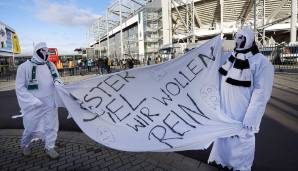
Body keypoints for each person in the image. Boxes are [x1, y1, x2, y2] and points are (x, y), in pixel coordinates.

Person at [208, 27, 274, 171]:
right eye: (236, 37)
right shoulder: (229, 58)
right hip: (225, 111)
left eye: (241, 38)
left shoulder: (261, 62)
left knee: (241, 142)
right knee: (223, 140)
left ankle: (240, 167)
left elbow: (261, 93)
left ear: (248, 40)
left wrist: (251, 118)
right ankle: (220, 162)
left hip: (242, 114)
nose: (237, 41)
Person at [15, 42, 63, 159]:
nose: (46, 53)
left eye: (47, 51)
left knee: (51, 126)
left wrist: (58, 82)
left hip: (50, 102)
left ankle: (49, 147)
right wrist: (32, 101)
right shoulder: (24, 67)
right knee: (30, 127)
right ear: (36, 52)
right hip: (33, 105)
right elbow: (20, 87)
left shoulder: (50, 65)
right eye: (43, 51)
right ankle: (25, 145)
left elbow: (57, 78)